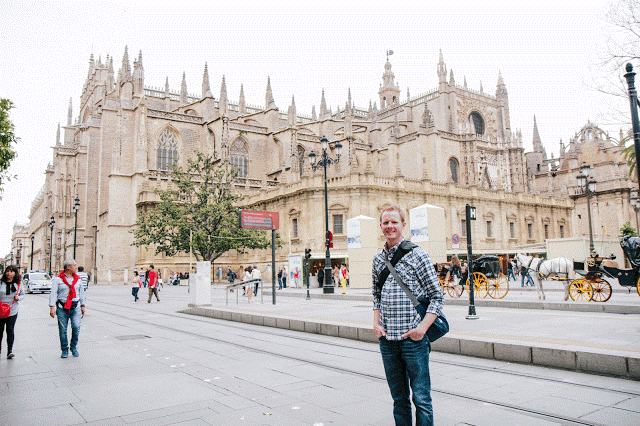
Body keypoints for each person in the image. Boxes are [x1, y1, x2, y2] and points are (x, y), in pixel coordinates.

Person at [372, 206, 444, 426]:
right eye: (386, 223)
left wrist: (422, 328)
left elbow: (437, 297)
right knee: (399, 400)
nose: (390, 226)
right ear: (381, 226)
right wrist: (376, 323)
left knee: (421, 399)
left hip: (413, 340)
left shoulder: (418, 254)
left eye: (394, 222)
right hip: (388, 341)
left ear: (403, 225)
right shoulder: (377, 259)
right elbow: (376, 295)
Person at [49, 259, 86, 358]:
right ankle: (64, 349)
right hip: (62, 308)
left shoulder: (78, 279)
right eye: (74, 265)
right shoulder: (58, 279)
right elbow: (53, 294)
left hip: (75, 307)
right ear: (68, 267)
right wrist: (52, 307)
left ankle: (73, 347)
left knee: (76, 326)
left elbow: (82, 293)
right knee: (62, 330)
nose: (76, 267)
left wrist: (83, 305)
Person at [1, 265, 24, 359]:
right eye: (7, 271)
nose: (8, 273)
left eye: (11, 271)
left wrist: (18, 298)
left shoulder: (18, 284)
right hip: (0, 311)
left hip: (12, 311)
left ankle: (9, 351)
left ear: (15, 273)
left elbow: (23, 295)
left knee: (10, 330)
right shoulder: (1, 282)